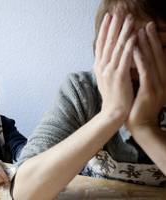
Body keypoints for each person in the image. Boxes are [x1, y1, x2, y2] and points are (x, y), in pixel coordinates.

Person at [12, 0, 166, 199]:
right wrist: (111, 114)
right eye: (123, 45)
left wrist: (145, 127)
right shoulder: (82, 90)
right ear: (100, 47)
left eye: (157, 45)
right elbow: (24, 192)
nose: (138, 62)